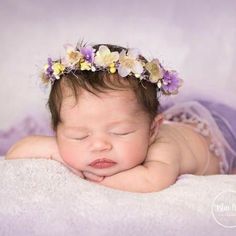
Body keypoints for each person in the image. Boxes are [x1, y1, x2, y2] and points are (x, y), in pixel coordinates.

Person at [5, 42, 236, 193]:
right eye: (79, 135)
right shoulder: (77, 136)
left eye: (120, 133)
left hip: (219, 135)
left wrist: (90, 179)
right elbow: (15, 152)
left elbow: (152, 181)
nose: (99, 145)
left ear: (152, 130)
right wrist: (55, 149)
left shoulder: (164, 149)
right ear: (57, 132)